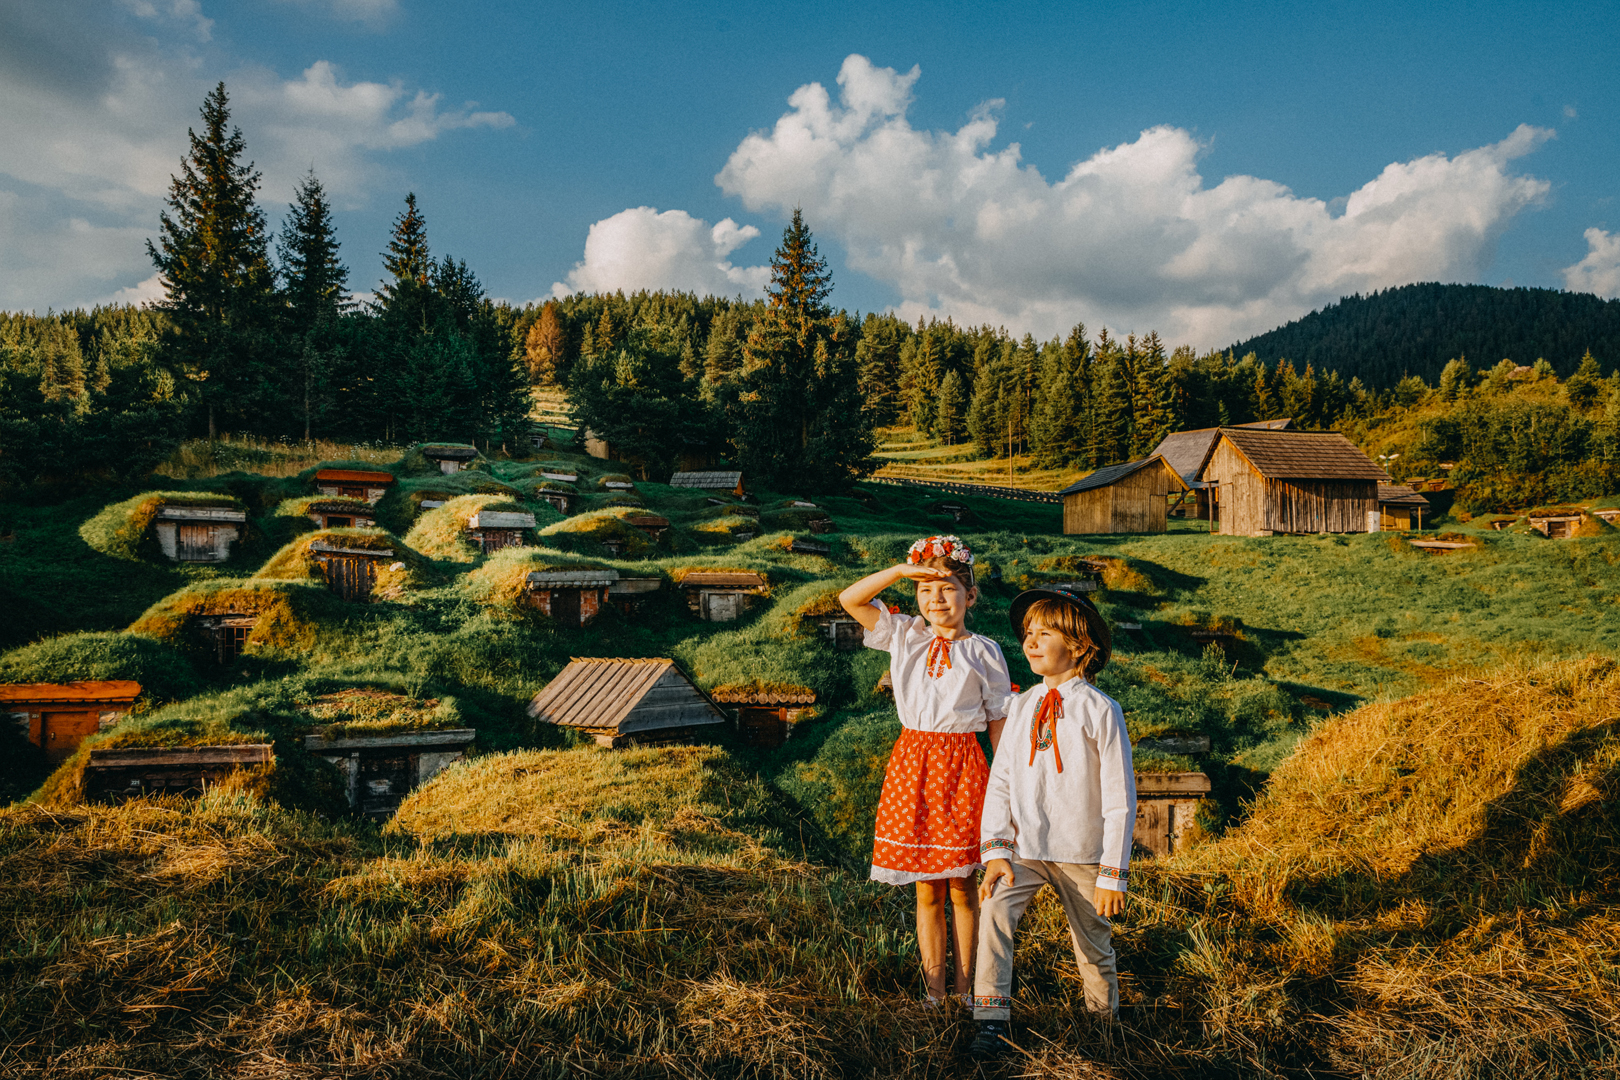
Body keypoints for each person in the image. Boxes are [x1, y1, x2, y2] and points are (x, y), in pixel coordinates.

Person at [839, 535, 1012, 1006]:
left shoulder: (985, 651)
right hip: (912, 764)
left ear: (970, 596)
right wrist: (899, 571)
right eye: (926, 590)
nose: (937, 599)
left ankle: (965, 989)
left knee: (962, 888)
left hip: (963, 767)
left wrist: (1007, 786)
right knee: (926, 892)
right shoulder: (904, 635)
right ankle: (934, 993)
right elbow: (848, 599)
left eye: (949, 588)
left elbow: (998, 724)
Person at [969, 587, 1136, 1060]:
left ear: (1081, 646)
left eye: (1045, 632)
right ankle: (990, 1020)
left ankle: (1103, 1028)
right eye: (1028, 633)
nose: (1031, 641)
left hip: (1082, 852)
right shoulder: (1020, 707)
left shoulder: (1100, 709)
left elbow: (1121, 797)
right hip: (1024, 849)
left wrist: (1112, 873)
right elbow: (1000, 780)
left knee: (1093, 945)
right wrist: (997, 850)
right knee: (996, 915)